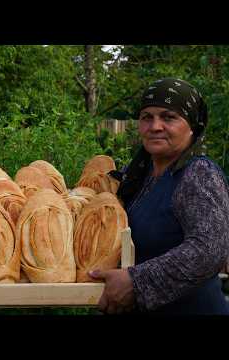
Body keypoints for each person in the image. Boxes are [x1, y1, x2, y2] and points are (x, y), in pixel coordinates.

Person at [90, 77, 229, 315]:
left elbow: (209, 250)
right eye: (147, 117)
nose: (155, 126)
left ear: (192, 126)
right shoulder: (139, 177)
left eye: (168, 117)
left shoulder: (198, 174)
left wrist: (135, 282)